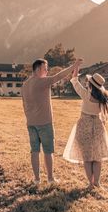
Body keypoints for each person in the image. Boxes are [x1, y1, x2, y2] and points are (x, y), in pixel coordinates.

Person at [63, 68, 108, 189]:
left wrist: (76, 66)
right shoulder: (102, 98)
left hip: (84, 125)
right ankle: (97, 182)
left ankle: (90, 183)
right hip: (97, 126)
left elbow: (74, 80)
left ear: (90, 84)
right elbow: (102, 116)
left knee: (87, 158)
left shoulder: (85, 94)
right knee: (97, 158)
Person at [22, 57, 83, 185]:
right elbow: (58, 76)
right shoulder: (41, 81)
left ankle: (37, 179)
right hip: (44, 123)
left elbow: (24, 104)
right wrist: (74, 66)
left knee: (34, 151)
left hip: (31, 123)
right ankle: (50, 179)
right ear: (38, 69)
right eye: (45, 69)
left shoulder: (25, 84)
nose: (47, 71)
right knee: (48, 151)